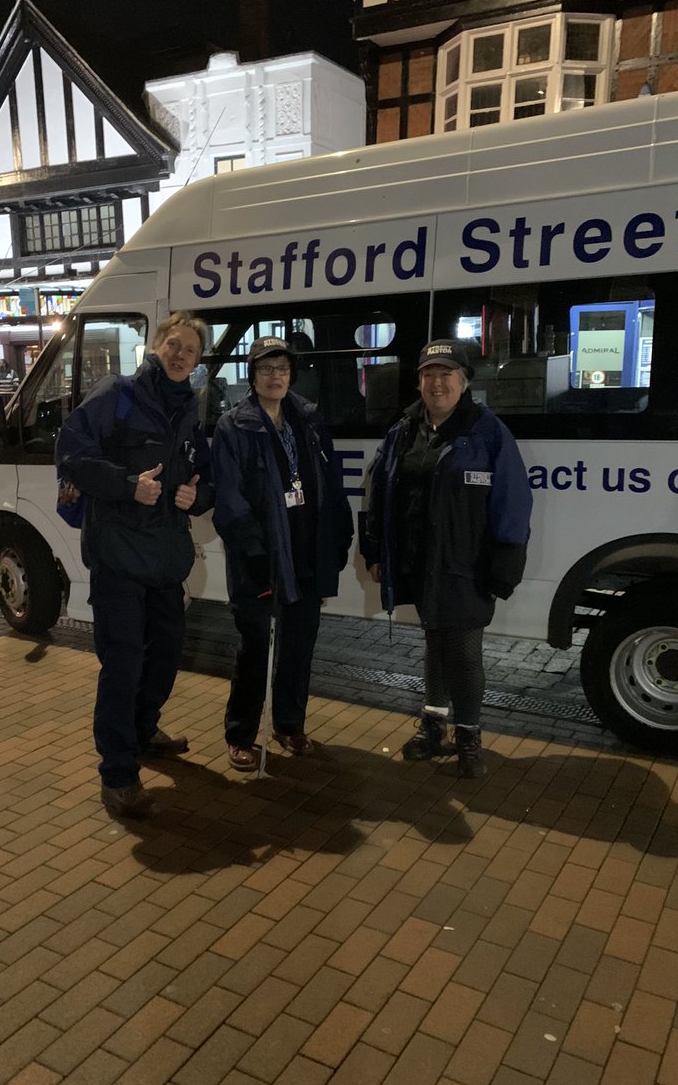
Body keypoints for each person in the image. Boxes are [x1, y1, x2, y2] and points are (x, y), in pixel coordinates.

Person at [55, 311, 215, 818]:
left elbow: (206, 473)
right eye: (174, 344)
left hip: (165, 559)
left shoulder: (189, 408)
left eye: (190, 350)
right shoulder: (117, 393)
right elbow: (71, 452)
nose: (180, 354)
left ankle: (144, 731)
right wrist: (128, 486)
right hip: (118, 558)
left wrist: (197, 495)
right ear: (156, 345)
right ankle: (119, 774)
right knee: (122, 667)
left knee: (164, 656)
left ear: (197, 360)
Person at [361, 339, 532, 778]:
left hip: (467, 565)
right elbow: (379, 493)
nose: (437, 383)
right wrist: (375, 550)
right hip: (421, 561)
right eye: (429, 374)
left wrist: (505, 565)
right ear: (419, 382)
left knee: (465, 652)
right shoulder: (403, 431)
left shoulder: (488, 432)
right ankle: (434, 724)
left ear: (464, 381)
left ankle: (469, 734)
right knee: (435, 641)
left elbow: (512, 501)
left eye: (446, 374)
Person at [212, 336, 354, 772]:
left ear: (292, 374)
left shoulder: (308, 419)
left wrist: (339, 534)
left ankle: (290, 725)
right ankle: (240, 735)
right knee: (255, 648)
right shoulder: (234, 426)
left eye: (282, 369)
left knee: (298, 646)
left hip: (306, 551)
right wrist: (254, 554)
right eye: (266, 368)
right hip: (259, 559)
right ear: (252, 375)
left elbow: (330, 483)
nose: (275, 376)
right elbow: (229, 500)